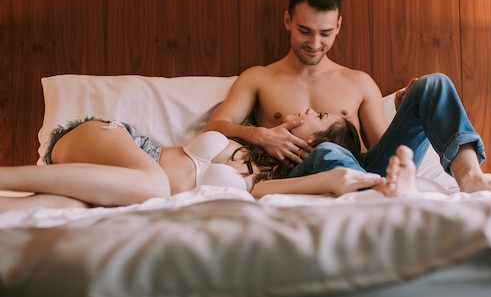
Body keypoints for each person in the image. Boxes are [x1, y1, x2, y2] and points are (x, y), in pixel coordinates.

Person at [206, 0, 491, 193]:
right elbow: (215, 127)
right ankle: (375, 190)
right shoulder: (259, 78)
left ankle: (469, 176)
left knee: (433, 84)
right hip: (307, 170)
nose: (314, 43)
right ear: (287, 21)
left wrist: (406, 113)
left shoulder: (358, 81)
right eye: (304, 31)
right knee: (325, 151)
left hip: (364, 166)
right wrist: (259, 135)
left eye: (325, 33)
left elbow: (382, 149)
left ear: (338, 26)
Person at [0, 109, 416, 212]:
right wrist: (256, 133)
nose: (308, 110)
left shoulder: (262, 182)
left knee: (47, 207)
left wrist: (356, 180)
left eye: (320, 117)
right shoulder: (247, 136)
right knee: (155, 188)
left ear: (316, 144)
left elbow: (275, 190)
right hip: (114, 140)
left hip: (112, 181)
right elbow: (223, 121)